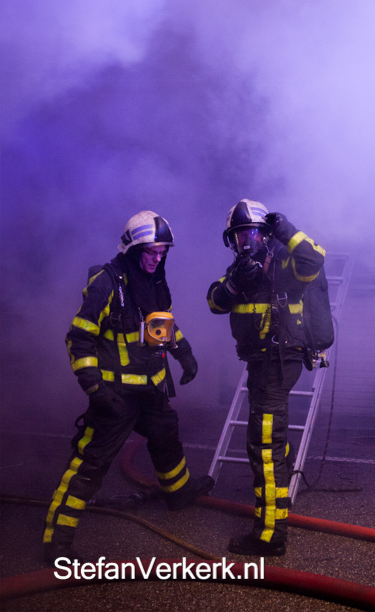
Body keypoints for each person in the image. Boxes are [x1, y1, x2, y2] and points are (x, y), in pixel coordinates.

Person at [43, 210, 214, 565]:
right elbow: (78, 338)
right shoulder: (106, 284)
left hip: (151, 391)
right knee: (90, 465)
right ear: (133, 250)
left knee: (166, 437)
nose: (157, 259)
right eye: (151, 252)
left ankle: (178, 493)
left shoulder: (154, 282)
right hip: (115, 397)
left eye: (162, 253)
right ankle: (56, 543)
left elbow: (162, 325)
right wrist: (95, 389)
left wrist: (184, 353)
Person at [207, 199, 325, 556]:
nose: (247, 242)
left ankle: (270, 536)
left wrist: (285, 229)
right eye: (240, 236)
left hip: (278, 361)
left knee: (264, 447)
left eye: (253, 234)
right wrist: (233, 285)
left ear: (266, 233)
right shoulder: (240, 269)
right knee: (268, 439)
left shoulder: (285, 261)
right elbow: (214, 302)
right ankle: (281, 481)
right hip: (260, 363)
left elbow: (314, 260)